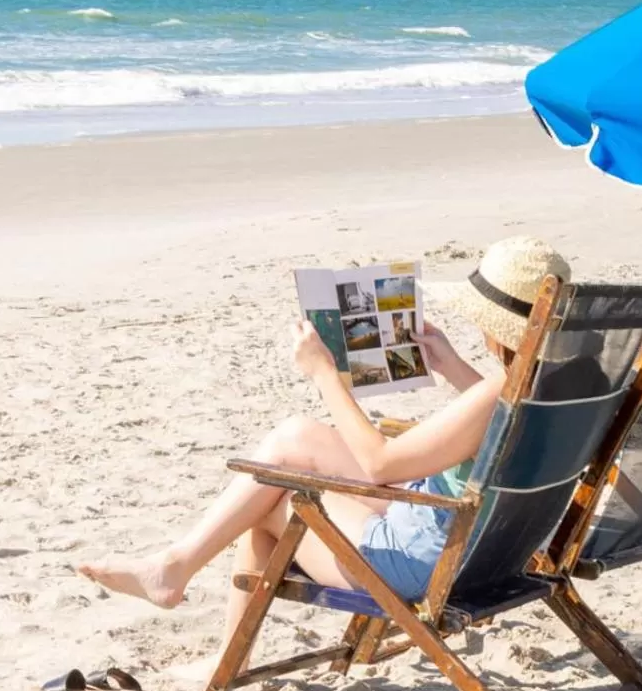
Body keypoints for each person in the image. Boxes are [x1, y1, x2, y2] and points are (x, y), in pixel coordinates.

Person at [77, 236, 571, 657]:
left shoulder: (496, 393)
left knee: (273, 499)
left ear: (495, 324)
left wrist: (325, 376)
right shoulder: (562, 385)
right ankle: (177, 571)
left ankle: (184, 590)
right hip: (488, 544)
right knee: (296, 436)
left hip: (430, 558)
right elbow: (506, 425)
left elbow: (380, 464)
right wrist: (451, 366)